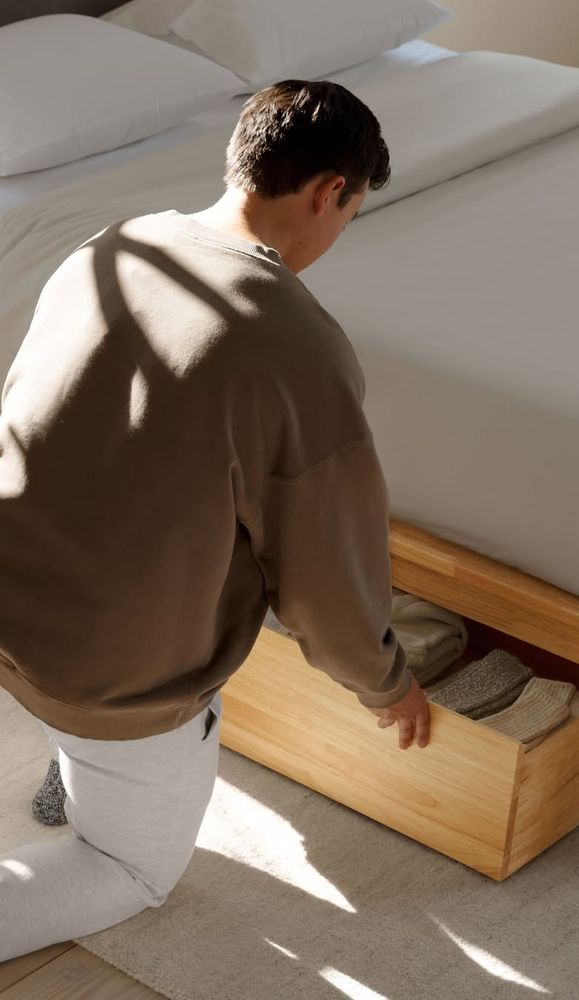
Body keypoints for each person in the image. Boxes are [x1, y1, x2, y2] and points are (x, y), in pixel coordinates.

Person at [0, 78, 430, 963]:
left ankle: (79, 761)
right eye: (349, 212)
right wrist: (388, 682)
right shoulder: (296, 347)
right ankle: (99, 781)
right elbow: (325, 584)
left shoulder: (110, 248)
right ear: (327, 193)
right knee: (129, 870)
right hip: (110, 673)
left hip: (11, 593)